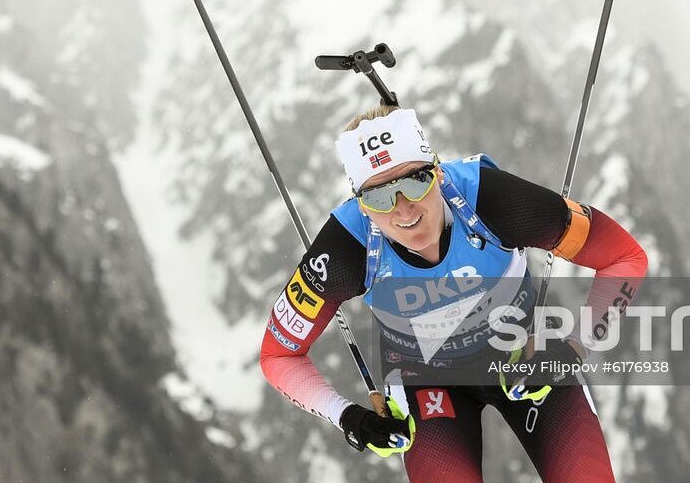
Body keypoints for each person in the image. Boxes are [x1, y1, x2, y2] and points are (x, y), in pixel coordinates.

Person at [259, 106, 648, 482]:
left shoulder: (493, 201)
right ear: (360, 204)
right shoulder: (344, 250)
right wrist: (347, 416)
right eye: (378, 197)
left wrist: (572, 349)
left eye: (415, 181)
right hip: (425, 379)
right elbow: (278, 354)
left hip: (525, 357)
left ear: (439, 173)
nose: (403, 209)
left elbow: (624, 257)